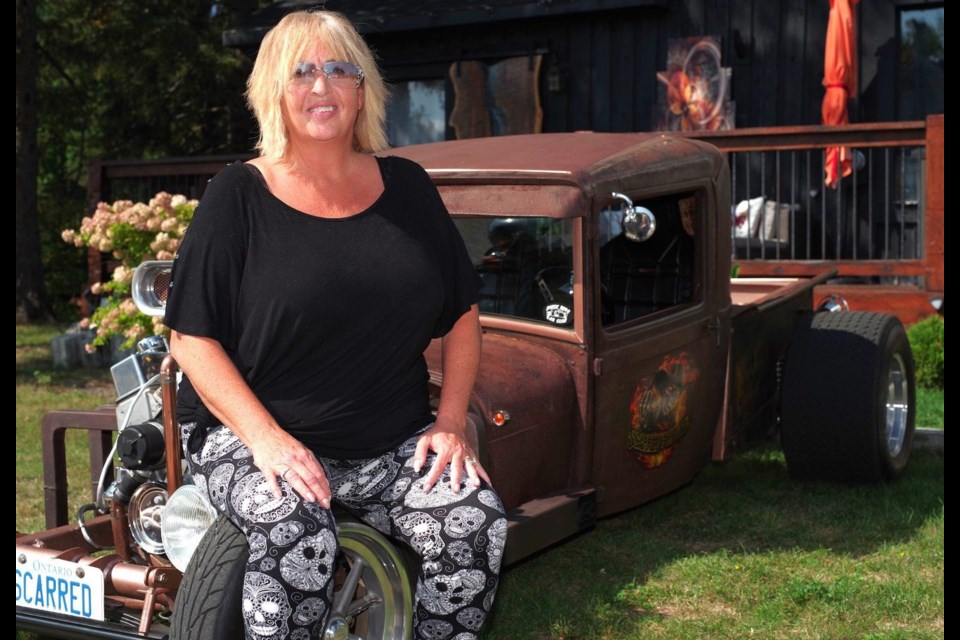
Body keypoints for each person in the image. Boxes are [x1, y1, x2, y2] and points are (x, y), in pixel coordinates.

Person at [163, 10, 506, 640]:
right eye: (302, 72)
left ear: (361, 90)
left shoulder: (406, 187)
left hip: (388, 443)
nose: (321, 87)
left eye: (338, 70)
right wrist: (265, 439)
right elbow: (189, 335)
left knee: (474, 520)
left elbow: (461, 313)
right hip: (253, 440)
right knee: (295, 534)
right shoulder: (237, 195)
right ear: (274, 91)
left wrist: (452, 423)